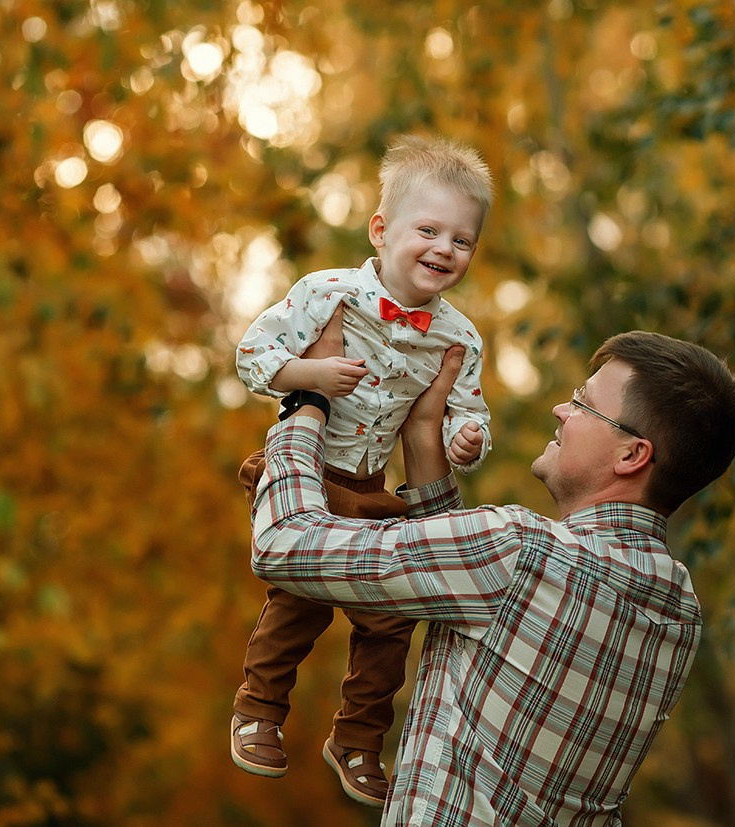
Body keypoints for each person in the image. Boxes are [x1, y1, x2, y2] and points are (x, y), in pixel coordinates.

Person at [247, 317, 735, 825]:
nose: (562, 408)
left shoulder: (521, 554)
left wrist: (307, 402)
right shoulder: (678, 608)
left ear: (631, 455)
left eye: (584, 404)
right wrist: (423, 432)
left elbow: (283, 543)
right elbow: (479, 596)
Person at [230, 135, 495, 808]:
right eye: (427, 230)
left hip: (372, 488)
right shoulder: (327, 294)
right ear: (381, 231)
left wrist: (468, 437)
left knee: (389, 619)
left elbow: (469, 407)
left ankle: (358, 738)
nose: (443, 249)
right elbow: (252, 353)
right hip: (309, 471)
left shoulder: (459, 336)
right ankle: (258, 708)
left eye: (461, 240)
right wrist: (312, 373)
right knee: (299, 602)